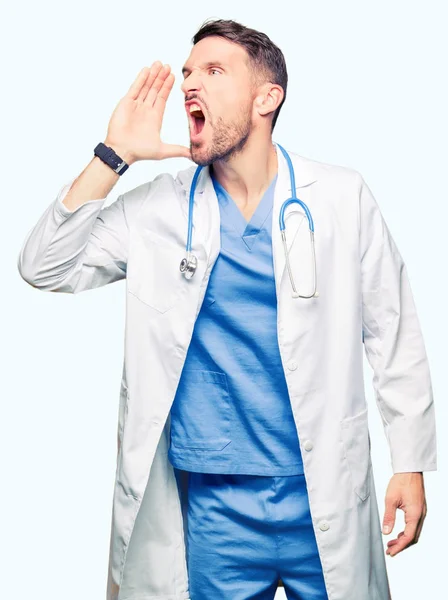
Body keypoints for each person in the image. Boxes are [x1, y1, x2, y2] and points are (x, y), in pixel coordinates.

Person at [17, 17, 436, 600]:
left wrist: (410, 461)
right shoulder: (157, 210)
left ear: (268, 97)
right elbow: (44, 266)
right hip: (213, 506)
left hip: (324, 493)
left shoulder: (340, 196)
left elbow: (394, 332)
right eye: (189, 72)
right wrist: (114, 156)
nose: (191, 84)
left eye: (214, 71)